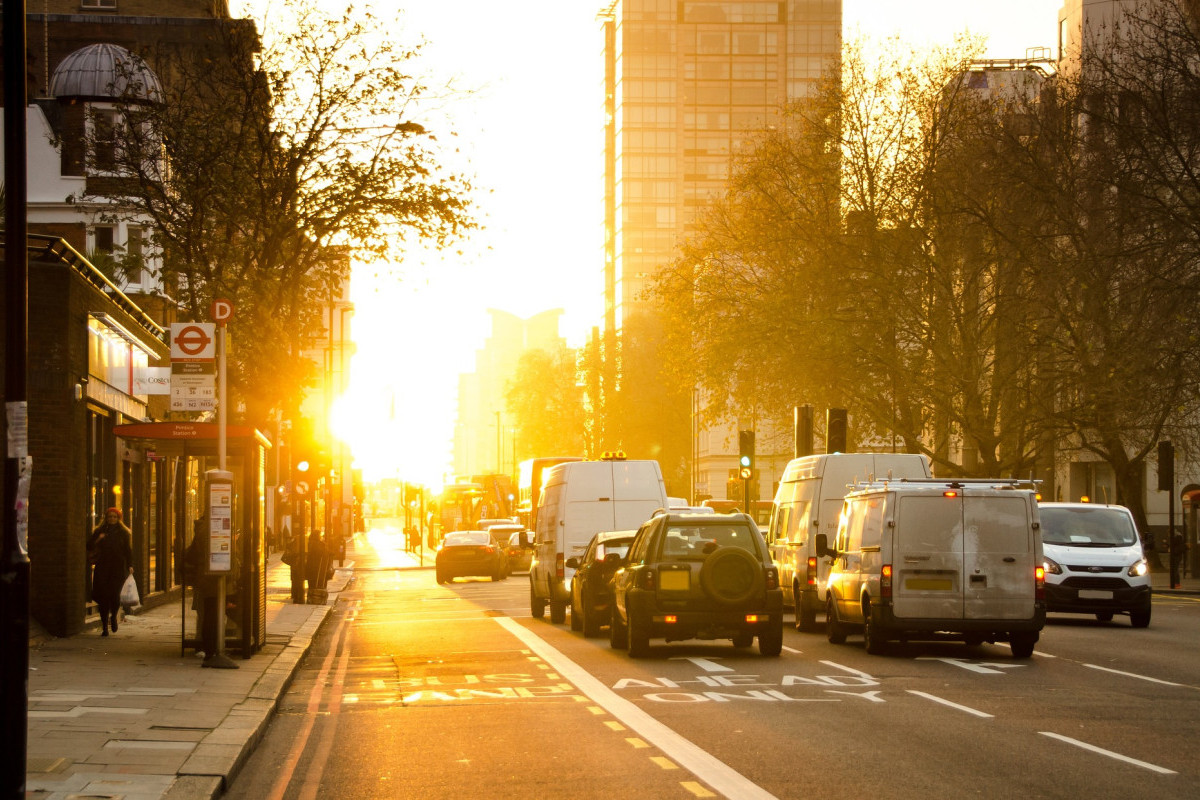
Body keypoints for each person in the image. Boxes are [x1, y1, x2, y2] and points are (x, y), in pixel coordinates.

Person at [88, 507, 133, 636]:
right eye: (110, 517)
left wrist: (130, 565)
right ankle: (104, 627)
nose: (112, 519)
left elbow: (127, 550)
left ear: (118, 519)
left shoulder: (124, 533)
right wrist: (98, 539)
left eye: (114, 517)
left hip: (117, 567)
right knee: (103, 596)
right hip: (102, 567)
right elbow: (89, 546)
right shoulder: (99, 531)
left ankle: (113, 616)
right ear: (106, 518)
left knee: (114, 595)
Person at [306, 530, 329, 602]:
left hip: (311, 567)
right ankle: (316, 599)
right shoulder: (316, 544)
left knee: (312, 584)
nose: (320, 537)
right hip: (317, 567)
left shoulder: (310, 543)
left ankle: (311, 598)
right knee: (317, 584)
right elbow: (321, 553)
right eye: (319, 535)